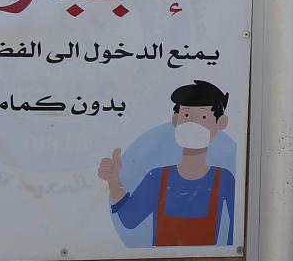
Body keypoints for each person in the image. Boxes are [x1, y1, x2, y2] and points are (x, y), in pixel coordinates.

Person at [98, 80, 235, 246]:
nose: (192, 124)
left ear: (221, 123)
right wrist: (114, 180)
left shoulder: (224, 179)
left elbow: (236, 234)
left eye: (203, 117)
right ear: (176, 120)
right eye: (186, 116)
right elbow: (130, 219)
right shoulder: (157, 177)